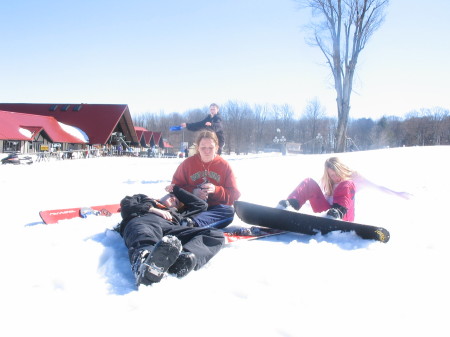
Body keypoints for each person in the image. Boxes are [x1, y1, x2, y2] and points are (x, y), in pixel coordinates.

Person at [116, 184, 226, 287]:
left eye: (177, 202)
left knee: (215, 234)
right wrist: (152, 209)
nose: (174, 199)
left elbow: (201, 205)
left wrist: (176, 190)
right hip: (143, 220)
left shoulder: (177, 214)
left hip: (171, 228)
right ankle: (145, 264)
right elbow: (127, 204)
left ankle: (181, 261)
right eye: (171, 196)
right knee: (144, 236)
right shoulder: (146, 199)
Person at [171, 130, 240, 229]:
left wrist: (216, 190)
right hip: (192, 208)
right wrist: (193, 192)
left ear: (216, 148)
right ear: (197, 147)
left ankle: (191, 224)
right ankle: (187, 222)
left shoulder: (224, 165)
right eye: (203, 147)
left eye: (210, 148)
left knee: (229, 211)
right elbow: (174, 189)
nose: (207, 151)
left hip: (214, 211)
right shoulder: (187, 164)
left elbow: (234, 194)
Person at [277, 157, 356, 221]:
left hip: (344, 218)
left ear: (341, 171)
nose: (336, 177)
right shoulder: (329, 185)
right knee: (309, 182)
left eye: (337, 174)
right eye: (332, 175)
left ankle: (338, 212)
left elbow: (368, 184)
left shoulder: (349, 183)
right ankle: (290, 206)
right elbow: (313, 196)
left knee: (346, 184)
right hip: (328, 215)